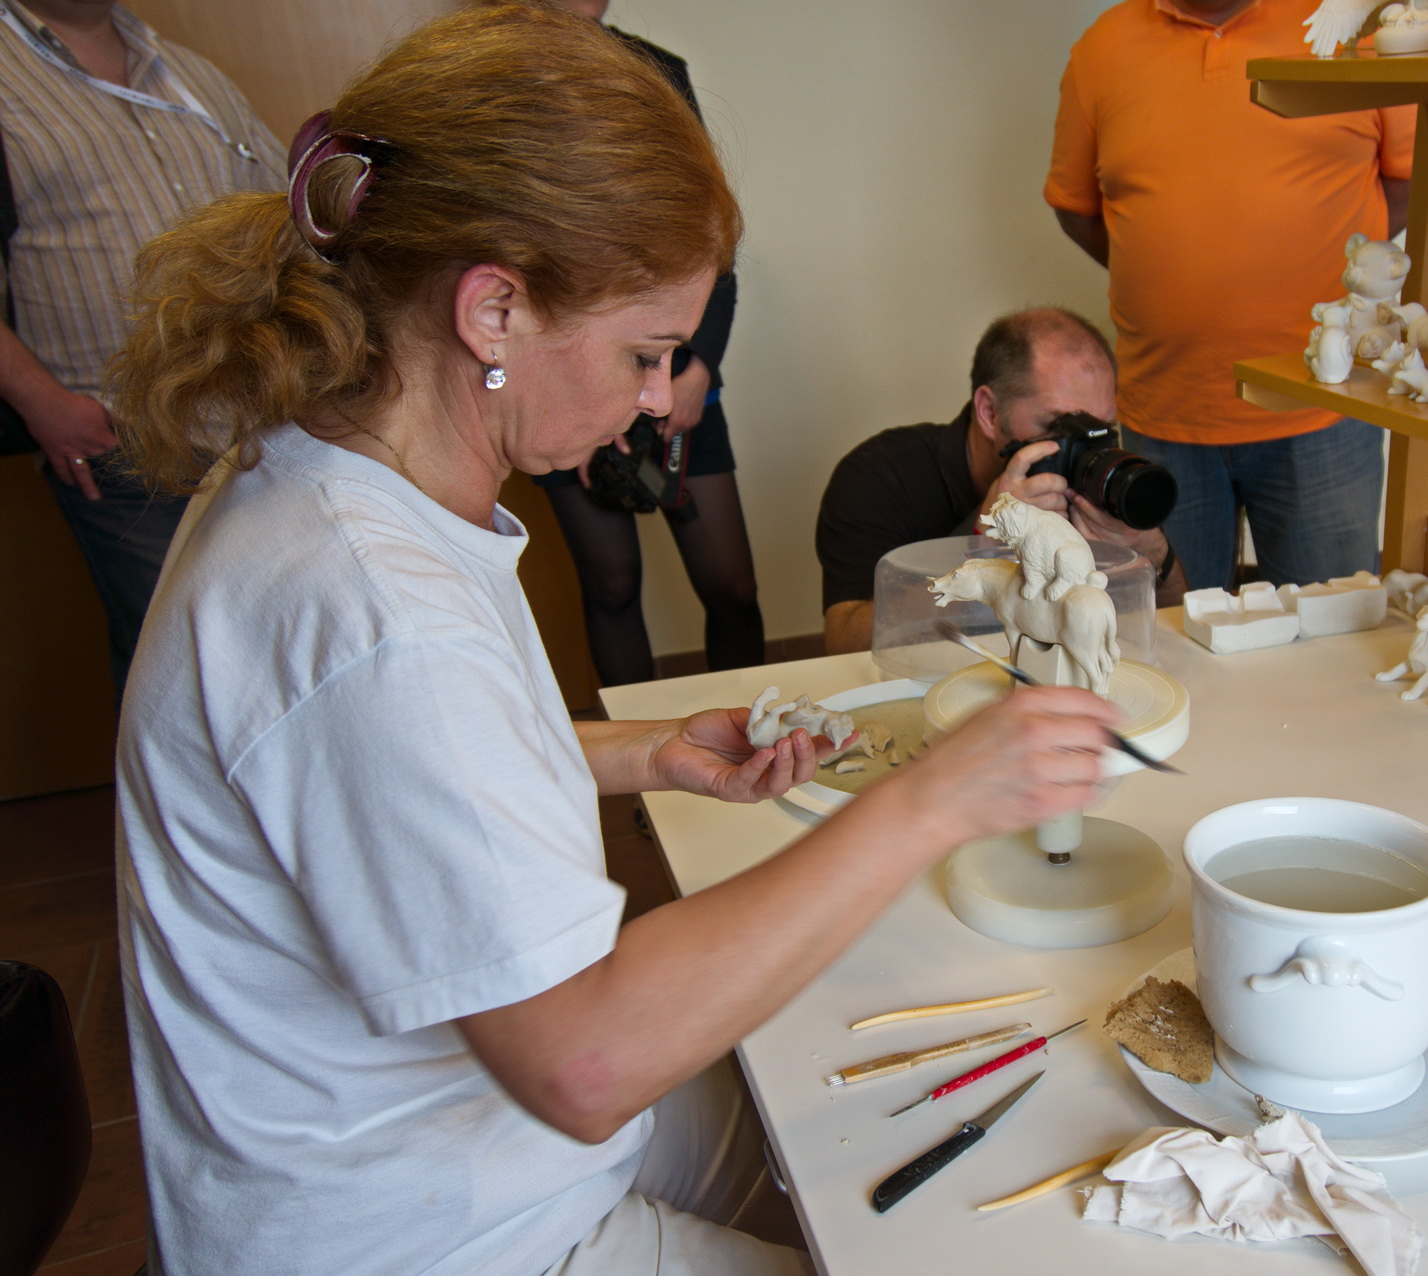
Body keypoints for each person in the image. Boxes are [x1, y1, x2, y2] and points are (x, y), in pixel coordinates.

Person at [109, 7, 1118, 1275]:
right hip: (425, 1231)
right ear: (494, 309)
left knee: (848, 1107)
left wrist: (638, 750)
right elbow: (585, 1062)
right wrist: (931, 802)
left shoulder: (337, 467)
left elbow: (388, 776)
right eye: (646, 353)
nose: (655, 398)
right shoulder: (371, 606)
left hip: (464, 1136)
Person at [1045, 0, 1415, 592]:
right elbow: (1076, 207)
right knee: (1171, 631)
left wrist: (1324, 264)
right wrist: (1170, 274)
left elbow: (1409, 176)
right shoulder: (1103, 48)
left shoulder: (1358, 27)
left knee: (1333, 629)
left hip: (1324, 412)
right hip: (1165, 416)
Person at [0, 0, 282, 689]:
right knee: (178, 671)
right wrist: (43, 403)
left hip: (260, 429)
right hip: (121, 438)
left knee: (272, 656)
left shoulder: (187, 73)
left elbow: (289, 213)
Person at [536, 0, 763, 685]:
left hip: (680, 373)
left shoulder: (659, 71)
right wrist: (589, 407)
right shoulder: (497, 72)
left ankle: (748, 732)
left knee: (730, 586)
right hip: (562, 377)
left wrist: (696, 372)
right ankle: (634, 754)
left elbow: (711, 240)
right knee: (610, 583)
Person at [816, 307, 1186, 656]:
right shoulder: (880, 474)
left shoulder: (1096, 490)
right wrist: (982, 543)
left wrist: (1151, 551)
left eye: (1101, 429)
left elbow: (1176, 629)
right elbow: (844, 643)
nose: (1087, 449)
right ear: (990, 412)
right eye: (1061, 427)